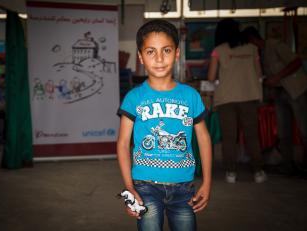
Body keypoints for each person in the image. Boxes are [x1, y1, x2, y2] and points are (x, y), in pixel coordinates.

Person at [117, 19, 212, 231]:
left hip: (184, 188)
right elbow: (123, 143)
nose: (159, 58)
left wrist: (207, 182)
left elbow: (204, 138)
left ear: (177, 53)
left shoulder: (191, 96)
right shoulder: (134, 98)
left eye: (166, 50)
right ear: (141, 56)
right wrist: (130, 188)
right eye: (151, 51)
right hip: (145, 186)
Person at [207, 18, 267, 183]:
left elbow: (211, 77)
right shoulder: (253, 49)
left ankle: (231, 173)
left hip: (226, 99)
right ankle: (258, 172)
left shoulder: (218, 51)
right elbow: (259, 74)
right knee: (251, 136)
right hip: (249, 96)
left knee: (229, 137)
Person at [243, 26, 307, 176]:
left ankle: (305, 165)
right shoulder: (260, 53)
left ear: (253, 40)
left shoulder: (275, 45)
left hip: (295, 90)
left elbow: (296, 62)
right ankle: (287, 165)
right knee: (283, 132)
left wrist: (277, 77)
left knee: (305, 129)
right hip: (279, 93)